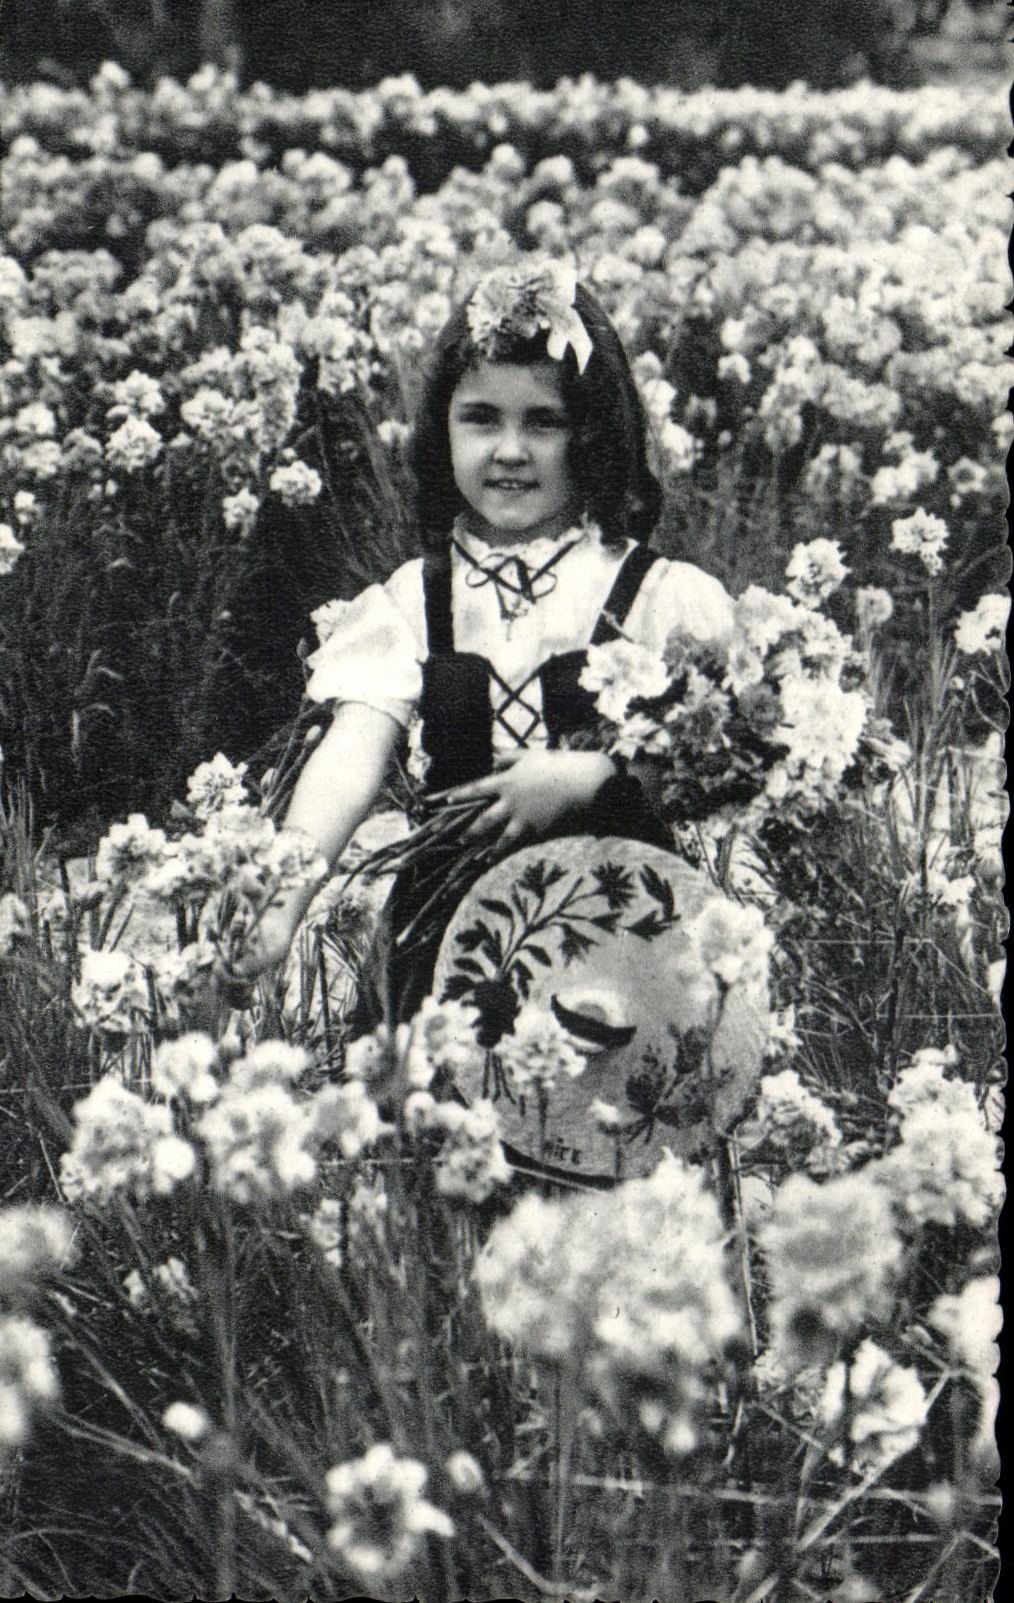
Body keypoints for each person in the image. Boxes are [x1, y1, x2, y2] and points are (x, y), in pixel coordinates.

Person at [238, 259, 733, 1023]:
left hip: (621, 936)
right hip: (449, 946)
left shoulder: (654, 592)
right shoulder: (415, 599)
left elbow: (725, 751)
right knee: (438, 1125)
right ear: (444, 428)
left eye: (543, 421)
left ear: (594, 434)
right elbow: (352, 754)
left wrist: (593, 774)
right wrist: (281, 898)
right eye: (481, 418)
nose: (509, 449)